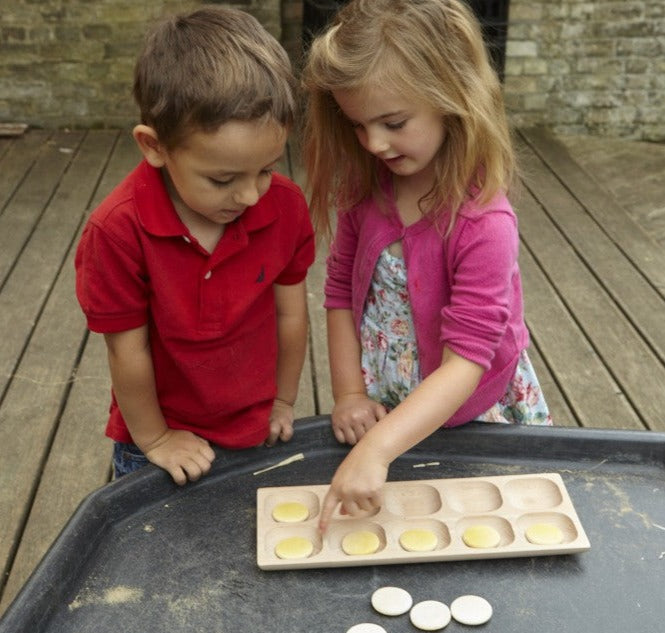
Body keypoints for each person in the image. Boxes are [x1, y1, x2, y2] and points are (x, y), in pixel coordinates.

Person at [301, 0, 551, 530]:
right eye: (358, 125)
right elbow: (341, 293)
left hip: (472, 407)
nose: (373, 143)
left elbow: (468, 358)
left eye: (393, 122)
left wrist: (376, 450)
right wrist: (348, 393)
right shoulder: (364, 189)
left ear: (452, 99)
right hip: (386, 399)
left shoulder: (484, 223)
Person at [75, 6, 315, 485]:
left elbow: (291, 314)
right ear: (155, 146)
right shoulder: (117, 232)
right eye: (223, 178)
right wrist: (157, 440)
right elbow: (128, 351)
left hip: (256, 425)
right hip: (159, 442)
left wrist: (284, 399)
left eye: (267, 168)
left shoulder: (284, 207)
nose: (250, 195)